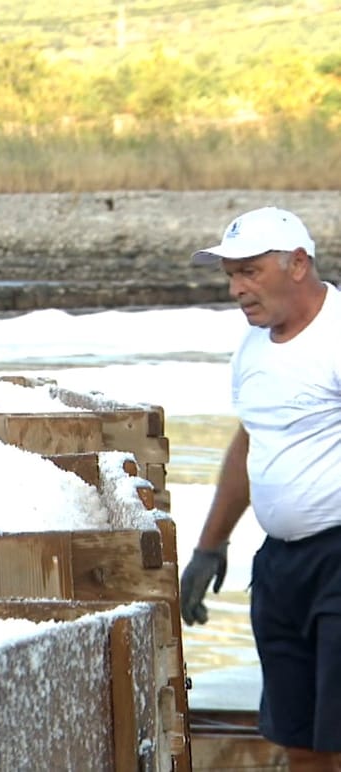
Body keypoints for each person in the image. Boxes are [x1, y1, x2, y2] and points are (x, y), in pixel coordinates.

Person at [180, 206, 341, 770]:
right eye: (231, 275)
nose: (237, 290)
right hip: (279, 566)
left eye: (250, 272)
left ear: (297, 264)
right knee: (300, 739)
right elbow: (250, 443)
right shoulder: (252, 348)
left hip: (338, 557)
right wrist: (209, 546)